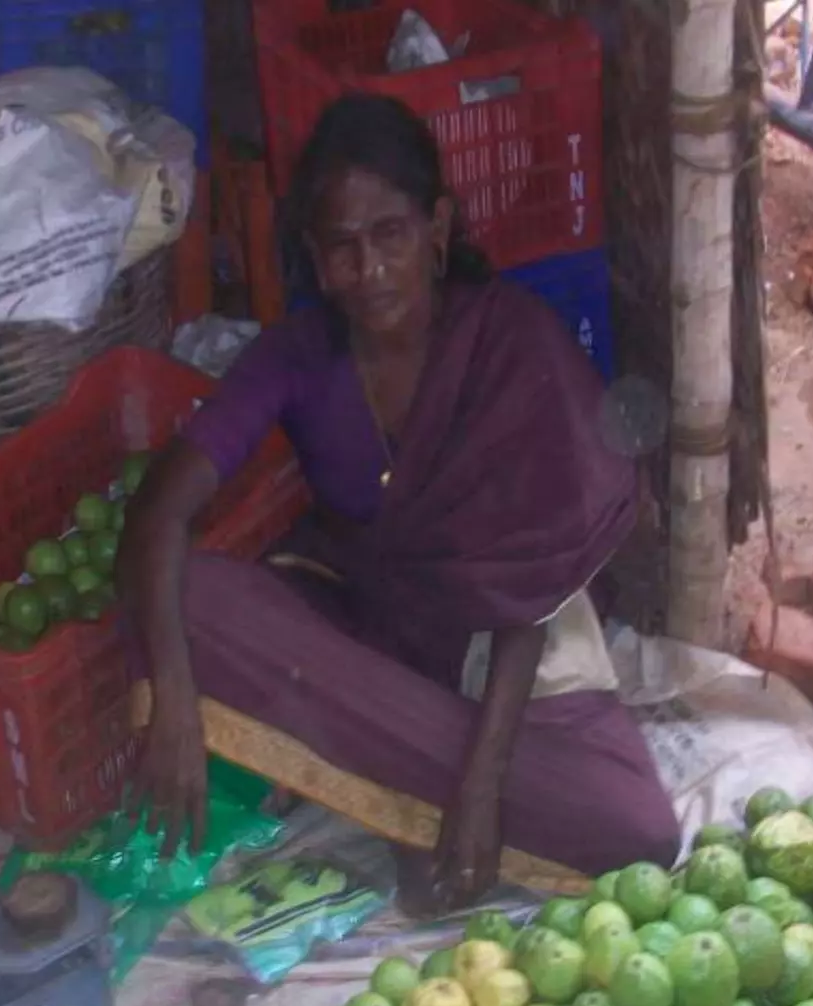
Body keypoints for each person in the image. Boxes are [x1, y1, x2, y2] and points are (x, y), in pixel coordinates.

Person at [122, 94, 680, 914]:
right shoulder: (299, 356)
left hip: (504, 643)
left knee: (638, 829)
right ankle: (407, 783)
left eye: (391, 235)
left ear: (437, 228)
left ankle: (402, 787)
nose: (372, 270)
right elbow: (158, 511)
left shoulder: (510, 342)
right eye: (343, 247)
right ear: (316, 259)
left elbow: (530, 595)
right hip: (373, 628)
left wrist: (481, 788)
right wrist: (174, 704)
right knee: (191, 595)